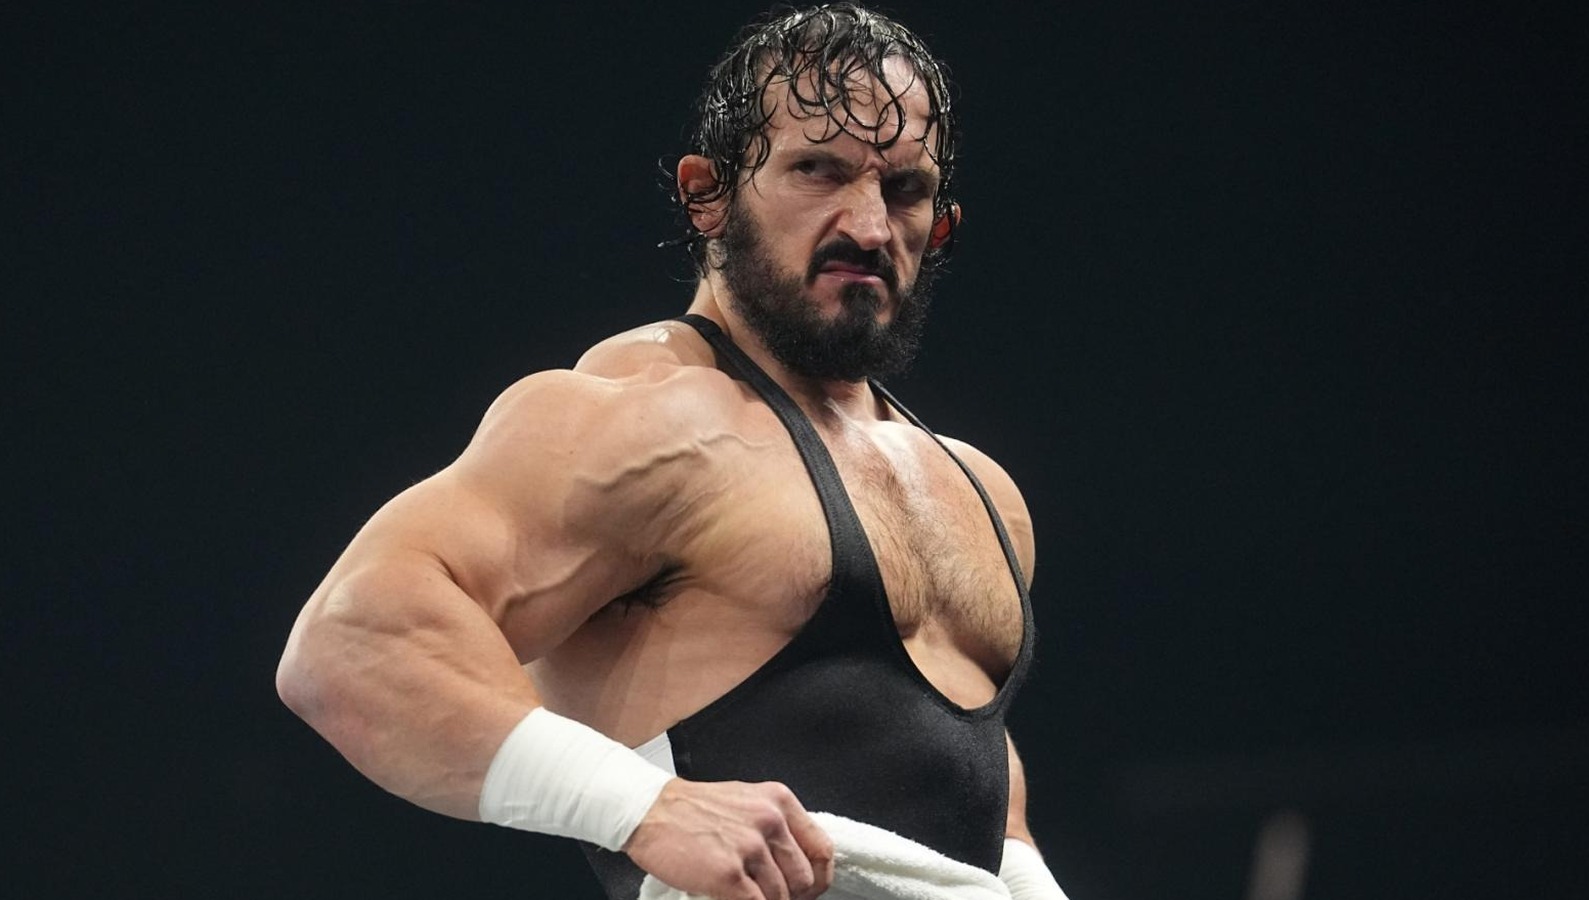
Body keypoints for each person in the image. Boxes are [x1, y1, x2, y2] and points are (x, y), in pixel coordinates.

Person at [277, 5, 1071, 899]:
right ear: (707, 194)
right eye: (818, 170)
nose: (869, 226)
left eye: (904, 189)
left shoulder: (979, 493)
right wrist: (644, 808)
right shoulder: (644, 419)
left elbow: (970, 804)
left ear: (943, 225)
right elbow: (352, 641)